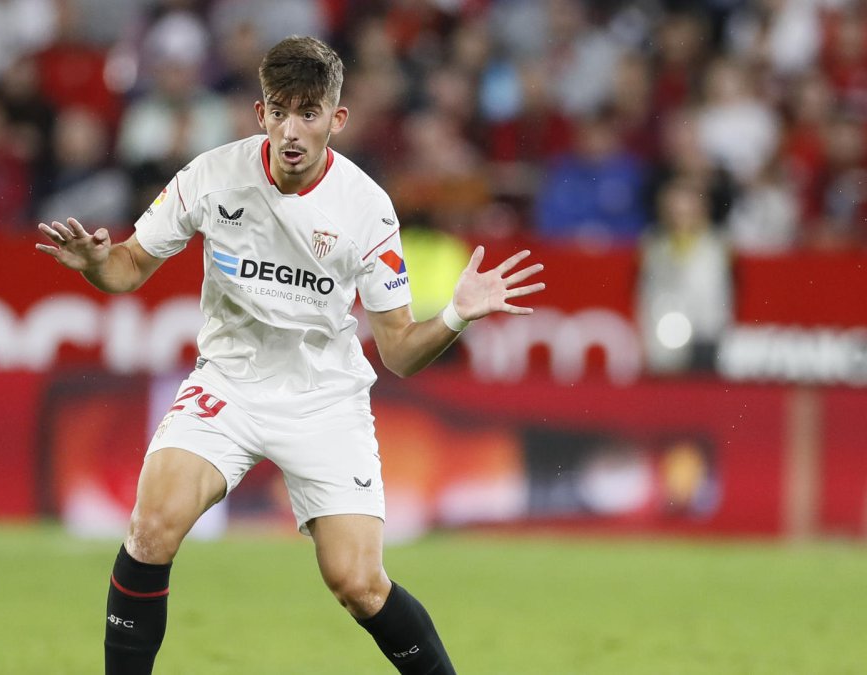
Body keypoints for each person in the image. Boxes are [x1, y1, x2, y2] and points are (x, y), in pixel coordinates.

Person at [36, 36, 545, 675]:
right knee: (150, 528)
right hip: (229, 385)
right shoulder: (211, 177)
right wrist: (95, 264)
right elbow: (128, 266)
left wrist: (455, 315)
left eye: (308, 113)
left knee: (359, 584)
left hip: (323, 400)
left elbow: (399, 354)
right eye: (279, 112)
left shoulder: (367, 209)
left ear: (337, 118)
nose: (291, 130)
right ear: (261, 113)